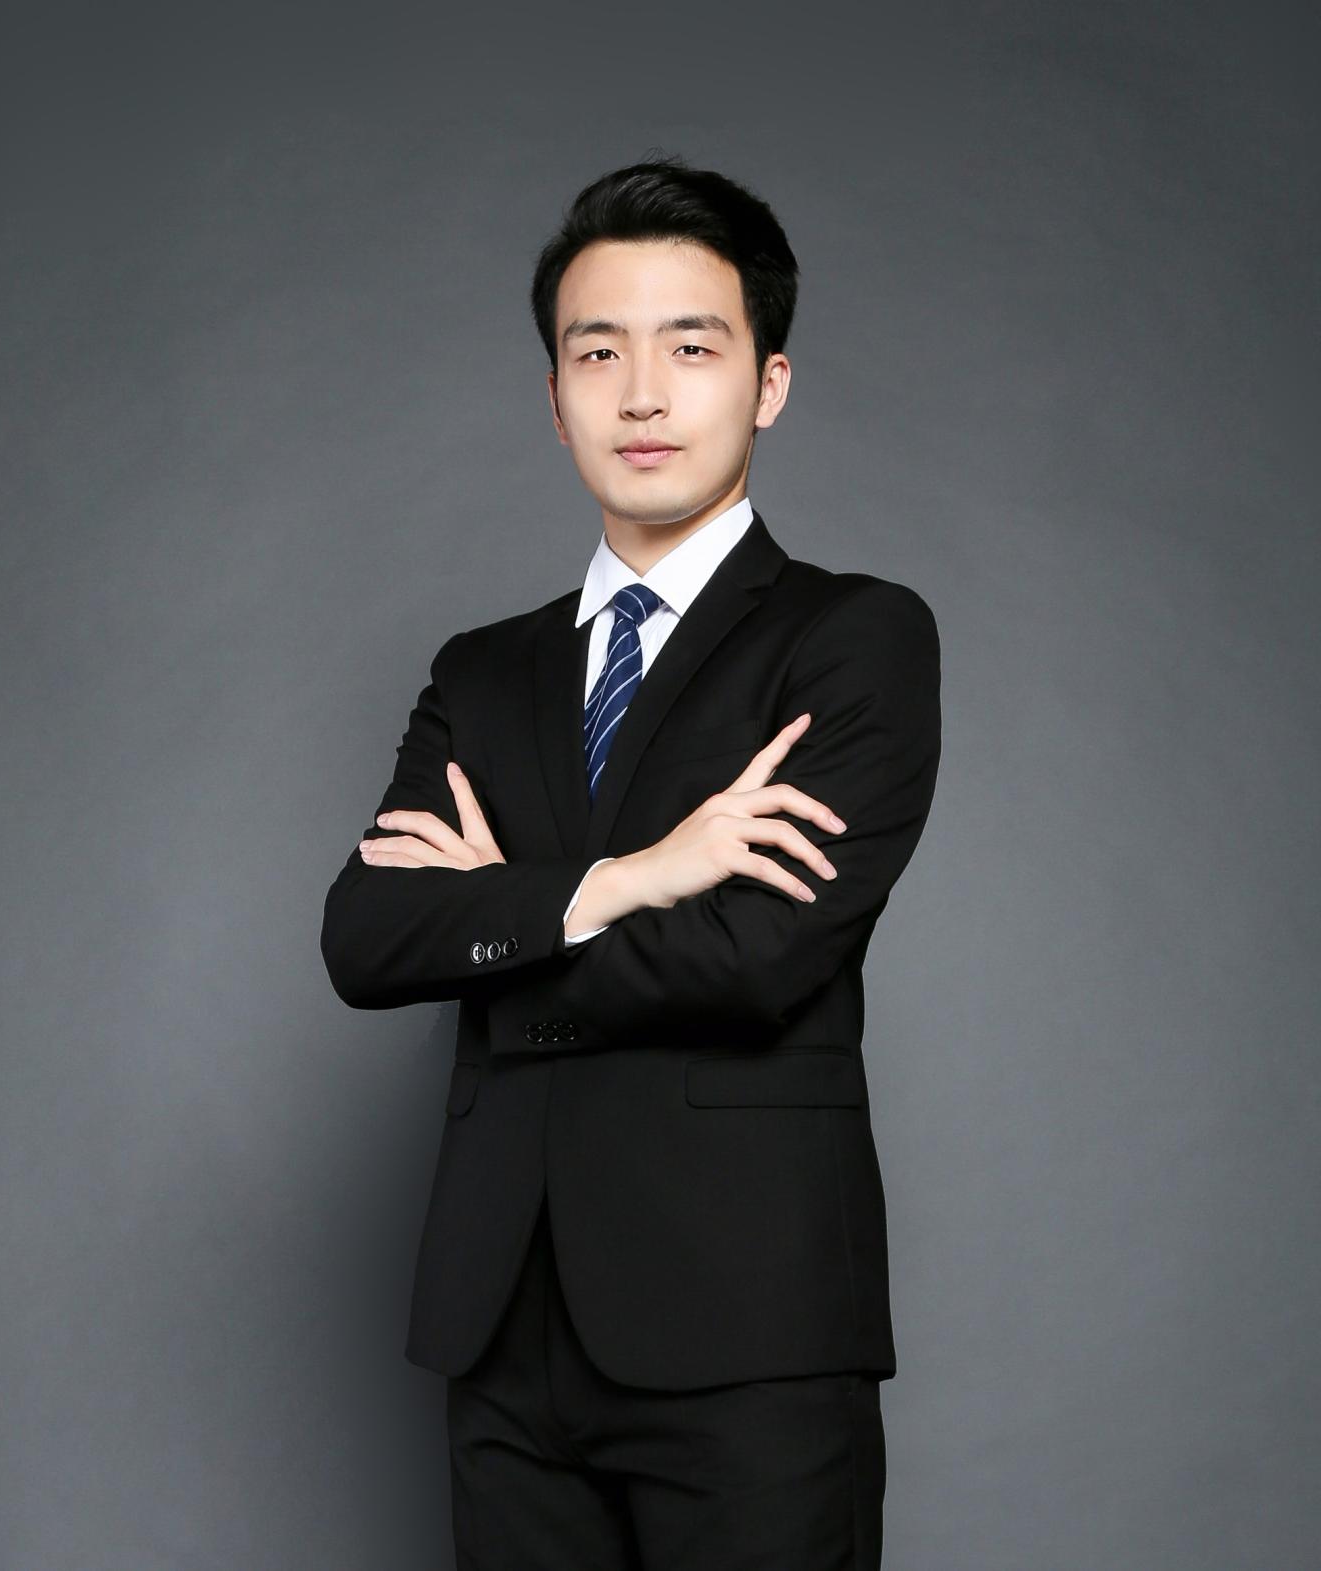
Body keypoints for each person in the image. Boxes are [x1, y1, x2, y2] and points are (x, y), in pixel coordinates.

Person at [321, 155, 942, 1571]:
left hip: (749, 1332)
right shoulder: (482, 673)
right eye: (598, 352)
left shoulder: (854, 639)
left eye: (691, 348)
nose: (642, 395)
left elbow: (757, 956)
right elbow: (363, 937)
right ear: (555, 399)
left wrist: (499, 925)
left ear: (768, 384)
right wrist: (635, 876)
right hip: (500, 1330)